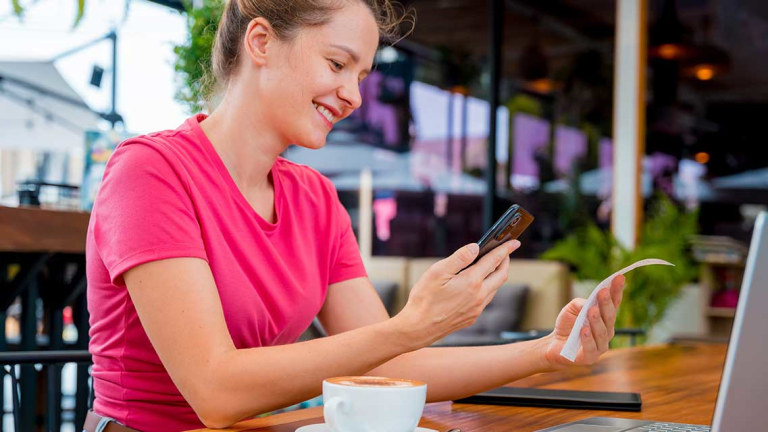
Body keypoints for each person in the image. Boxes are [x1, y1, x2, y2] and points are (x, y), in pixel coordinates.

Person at [85, 0, 626, 431]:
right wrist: (410, 327)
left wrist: (547, 353)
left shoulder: (315, 199)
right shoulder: (151, 171)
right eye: (338, 64)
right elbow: (216, 392)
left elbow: (389, 367)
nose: (354, 96)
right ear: (261, 42)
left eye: (363, 74)